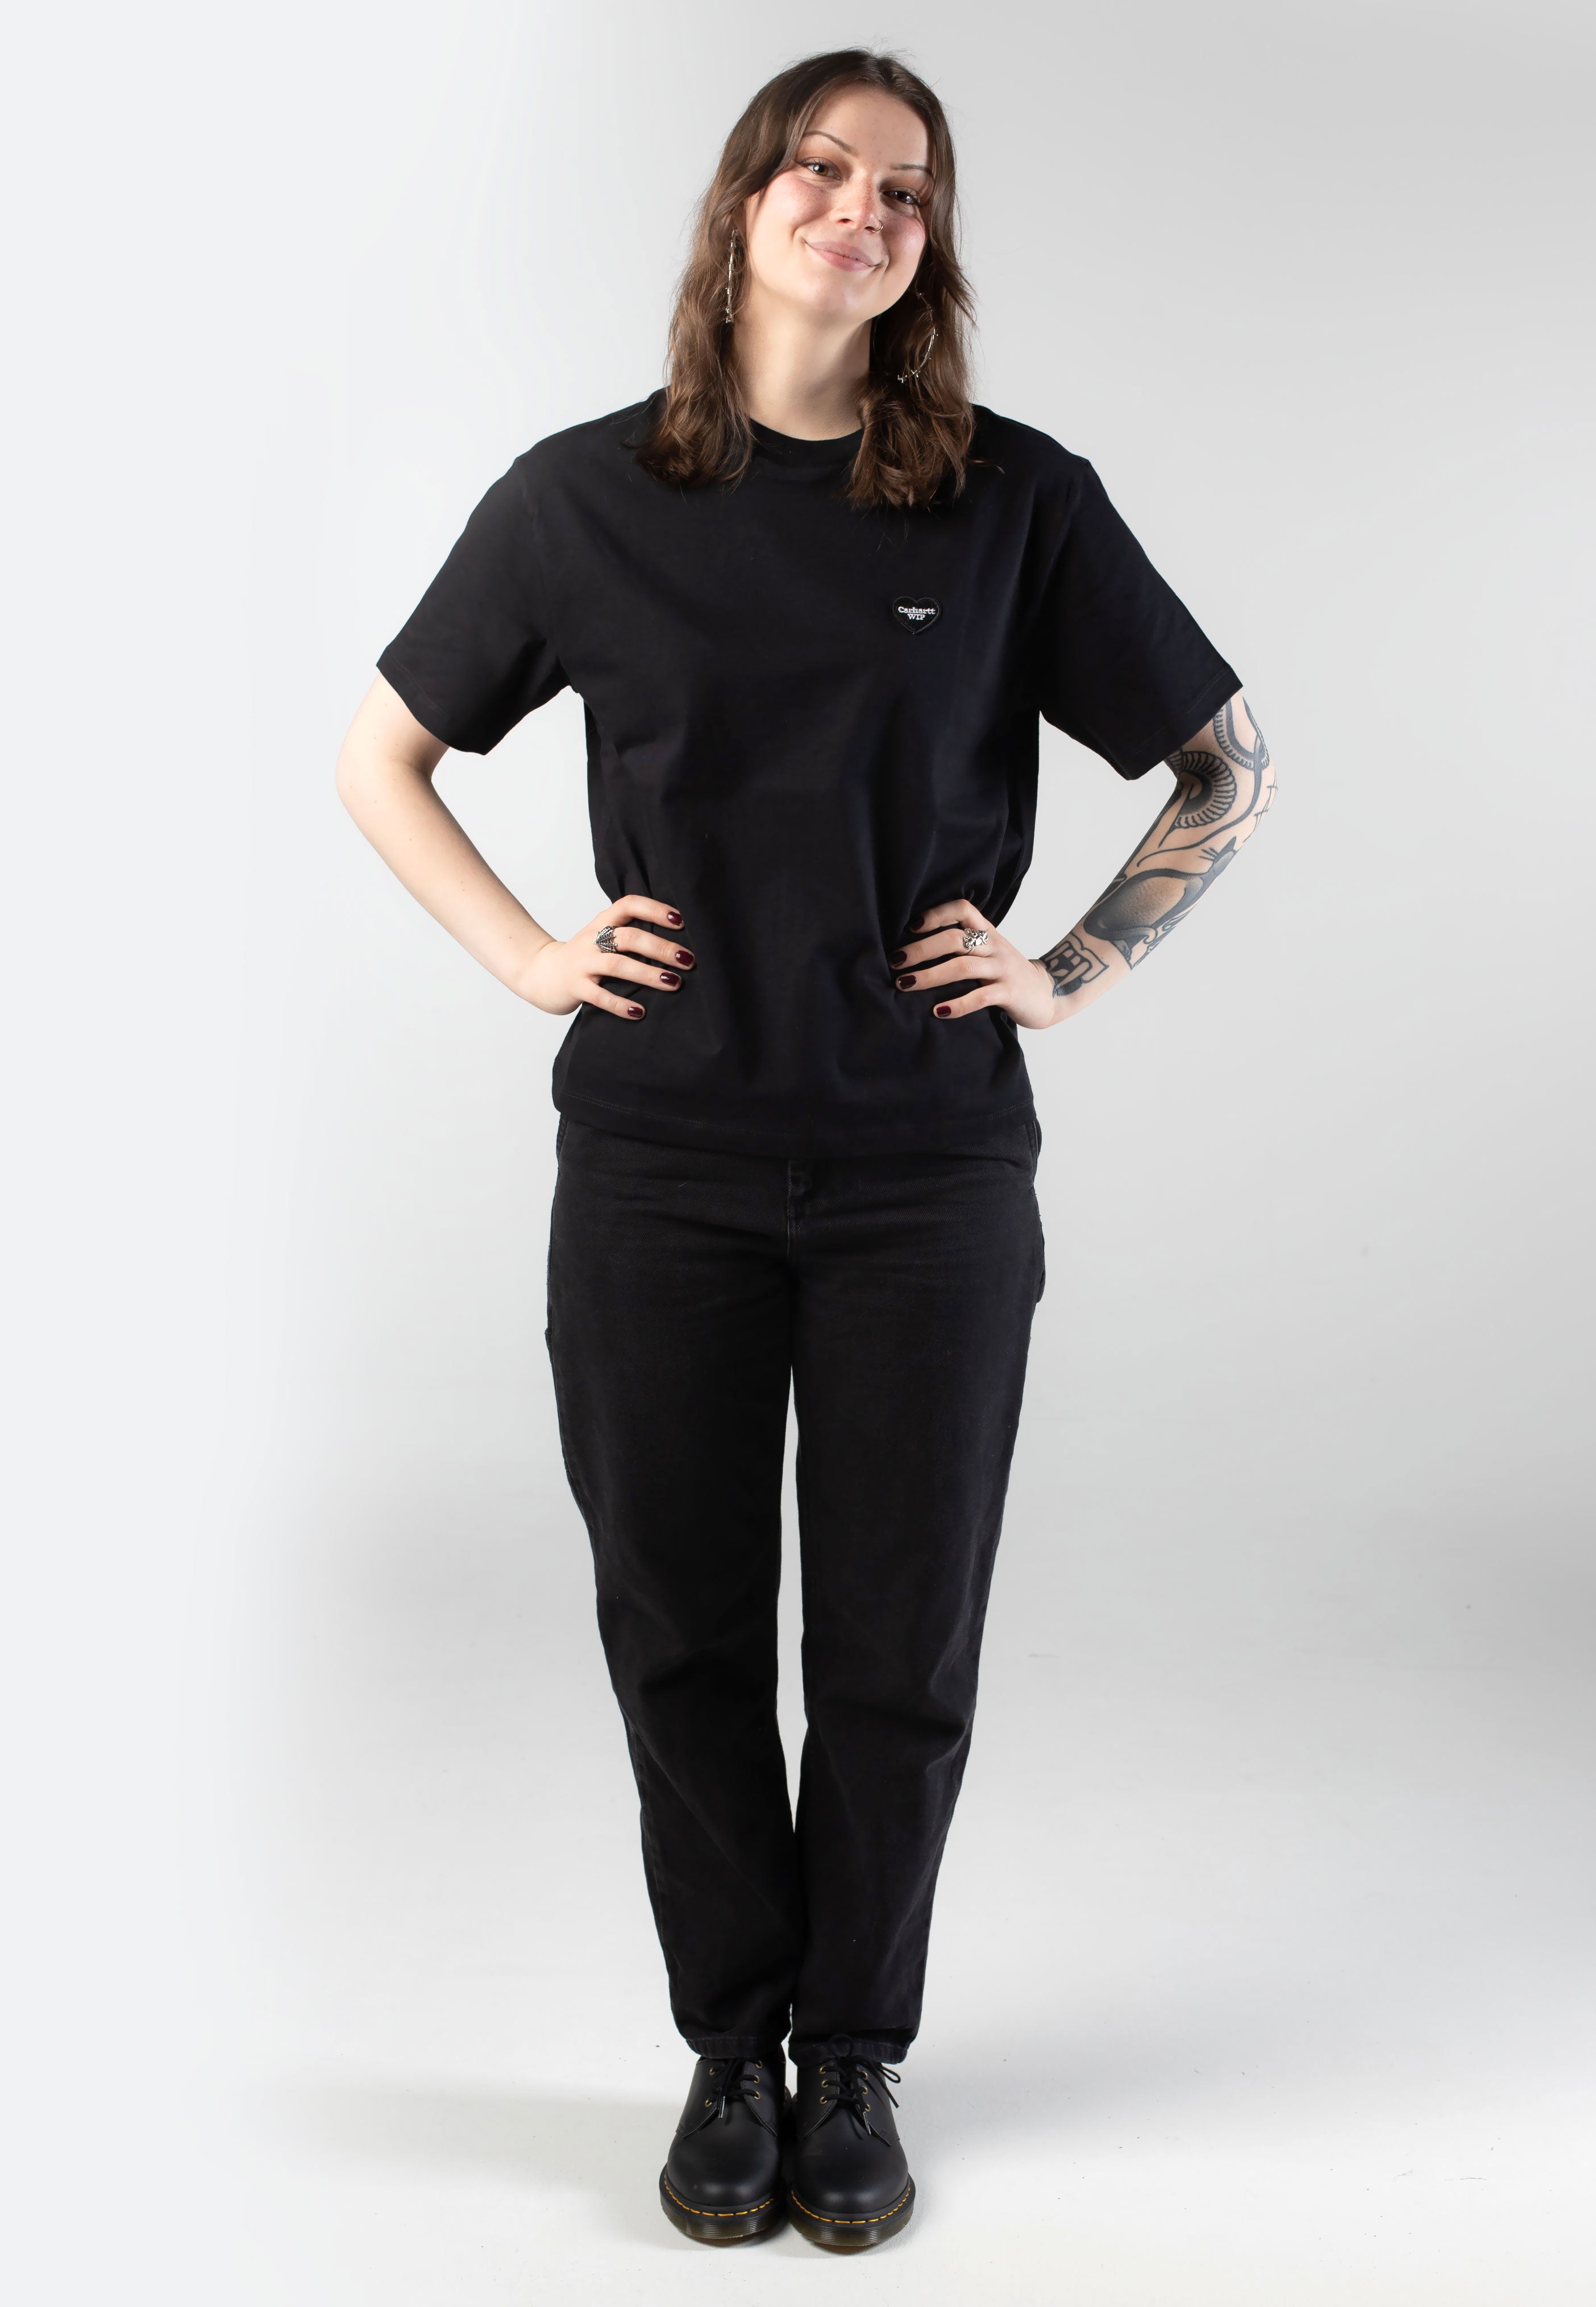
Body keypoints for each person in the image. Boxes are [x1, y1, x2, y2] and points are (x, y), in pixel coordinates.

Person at [335, 47, 1274, 2255]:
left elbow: (1225, 763)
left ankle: (853, 2051)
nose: (862, 208)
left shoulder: (1015, 504)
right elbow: (385, 752)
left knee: (892, 1640)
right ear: (744, 202)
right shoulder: (583, 500)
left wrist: (1071, 969)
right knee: (676, 1625)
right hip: (655, 1168)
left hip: (923, 1177)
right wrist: (532, 955)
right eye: (821, 169)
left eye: (906, 190)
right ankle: (730, 2044)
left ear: (928, 249)